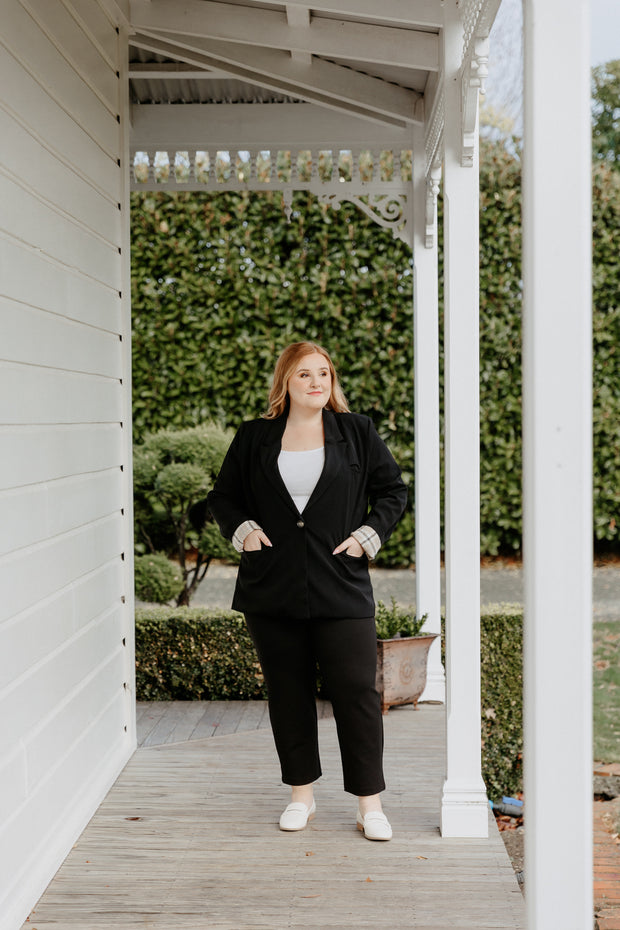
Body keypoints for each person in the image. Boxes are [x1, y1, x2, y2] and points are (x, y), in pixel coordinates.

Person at [207, 341, 407, 841]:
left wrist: (368, 537)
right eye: (304, 375)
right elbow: (223, 496)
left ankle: (370, 804)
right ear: (286, 383)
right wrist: (244, 531)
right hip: (271, 587)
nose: (316, 382)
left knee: (357, 693)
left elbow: (393, 492)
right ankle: (301, 795)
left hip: (341, 584)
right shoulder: (255, 436)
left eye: (323, 373)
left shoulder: (357, 432)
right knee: (288, 693)